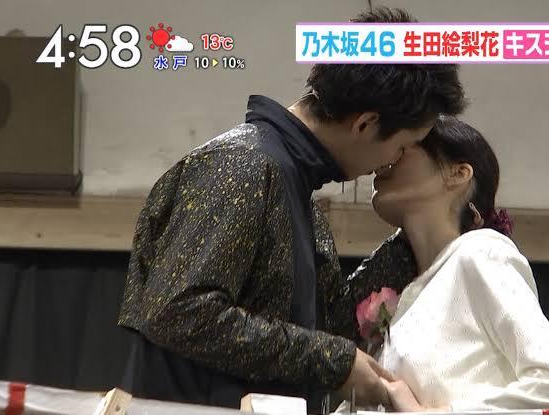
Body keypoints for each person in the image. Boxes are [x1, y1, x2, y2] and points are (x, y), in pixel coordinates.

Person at [117, 7, 467, 411]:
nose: (394, 160)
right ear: (365, 124)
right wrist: (333, 361)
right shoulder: (243, 165)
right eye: (402, 146)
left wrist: (424, 231)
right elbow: (177, 312)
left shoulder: (292, 184)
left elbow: (329, 326)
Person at [337, 116, 549, 412]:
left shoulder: (480, 253)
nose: (384, 159)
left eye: (403, 148)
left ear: (459, 173)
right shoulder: (404, 296)